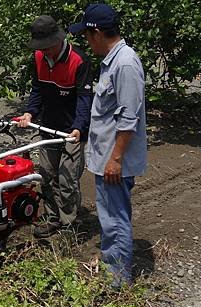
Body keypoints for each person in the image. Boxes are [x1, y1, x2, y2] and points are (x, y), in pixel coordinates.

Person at [69, 3, 147, 285]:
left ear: (97, 33)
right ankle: (113, 268)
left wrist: (115, 159)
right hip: (107, 157)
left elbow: (129, 119)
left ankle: (118, 282)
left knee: (115, 219)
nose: (87, 44)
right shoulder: (114, 61)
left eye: (87, 37)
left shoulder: (124, 64)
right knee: (110, 217)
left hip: (115, 160)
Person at [17, 15, 93, 238]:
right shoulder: (39, 57)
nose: (46, 51)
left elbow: (84, 98)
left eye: (48, 47)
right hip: (49, 128)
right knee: (47, 175)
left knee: (67, 179)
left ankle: (68, 224)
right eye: (42, 47)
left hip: (72, 131)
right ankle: (52, 218)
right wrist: (30, 112)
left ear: (58, 40)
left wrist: (79, 126)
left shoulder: (79, 60)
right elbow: (37, 89)